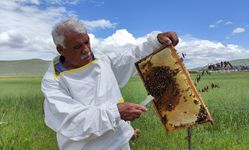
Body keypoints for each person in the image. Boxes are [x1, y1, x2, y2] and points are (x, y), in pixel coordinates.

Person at [41, 17, 179, 150]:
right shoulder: (53, 82)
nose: (86, 49)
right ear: (61, 49)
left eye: (87, 42)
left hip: (121, 142)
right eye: (77, 47)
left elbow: (130, 58)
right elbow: (72, 121)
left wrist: (156, 43)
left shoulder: (102, 60)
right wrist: (115, 113)